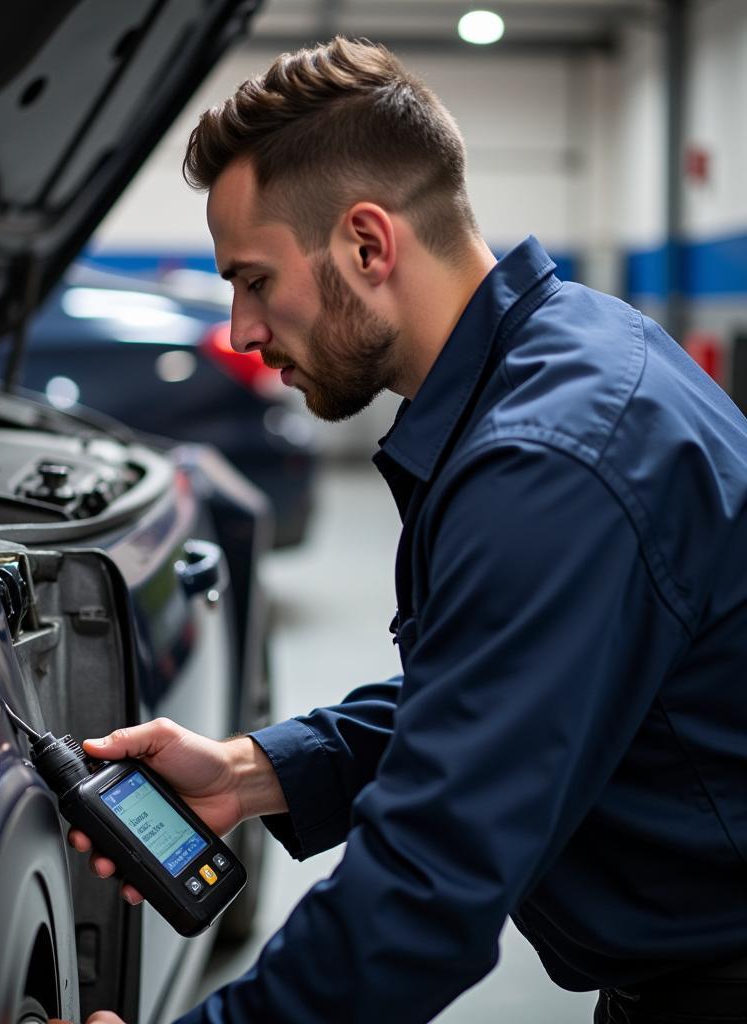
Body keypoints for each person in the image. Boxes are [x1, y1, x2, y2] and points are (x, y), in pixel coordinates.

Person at [62, 37, 747, 1024]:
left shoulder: (550, 462)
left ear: (367, 245)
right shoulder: (571, 350)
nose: (244, 331)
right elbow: (500, 684)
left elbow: (423, 891)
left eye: (253, 279)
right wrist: (254, 772)